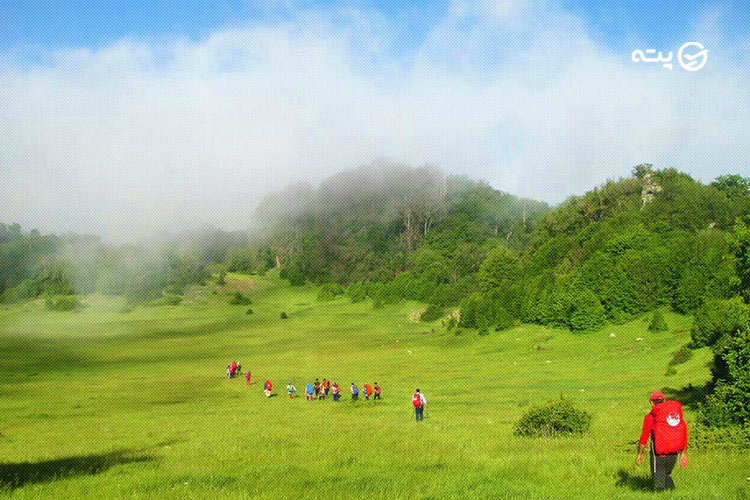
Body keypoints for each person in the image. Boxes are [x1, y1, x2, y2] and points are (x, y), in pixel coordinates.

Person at [636, 391, 688, 491]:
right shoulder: (674, 416)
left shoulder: (651, 417)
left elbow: (644, 437)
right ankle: (672, 494)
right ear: (664, 400)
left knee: (658, 481)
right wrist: (683, 453)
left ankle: (662, 494)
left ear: (651, 402)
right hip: (674, 452)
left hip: (658, 454)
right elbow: (683, 431)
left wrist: (640, 454)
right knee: (666, 475)